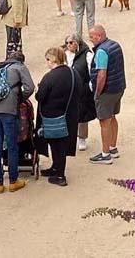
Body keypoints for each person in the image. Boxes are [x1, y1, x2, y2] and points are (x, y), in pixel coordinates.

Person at [0, 50, 34, 194]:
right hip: (9, 111)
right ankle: (13, 181)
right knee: (12, 146)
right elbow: (30, 87)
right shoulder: (20, 67)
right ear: (21, 60)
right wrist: (19, 99)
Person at [36, 46, 82, 187]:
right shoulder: (74, 73)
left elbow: (40, 96)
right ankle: (55, 168)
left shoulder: (50, 77)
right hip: (70, 115)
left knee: (56, 145)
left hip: (53, 118)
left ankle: (60, 175)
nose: (47, 63)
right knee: (61, 145)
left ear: (53, 59)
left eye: (48, 59)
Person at [87, 25, 126, 165]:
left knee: (104, 121)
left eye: (91, 37)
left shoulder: (102, 51)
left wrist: (97, 92)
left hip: (107, 91)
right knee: (113, 117)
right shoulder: (115, 45)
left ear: (98, 36)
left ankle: (105, 154)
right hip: (118, 88)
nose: (90, 39)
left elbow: (101, 75)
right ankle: (112, 147)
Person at [63, 34, 98, 152]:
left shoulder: (87, 54)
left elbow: (92, 71)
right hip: (68, 88)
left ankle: (82, 137)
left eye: (71, 42)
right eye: (67, 43)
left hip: (82, 89)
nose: (69, 45)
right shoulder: (65, 54)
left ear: (77, 43)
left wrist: (90, 87)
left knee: (82, 115)